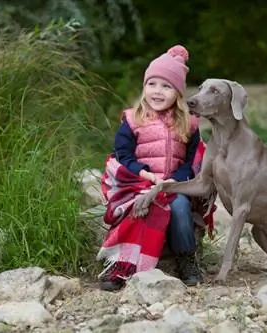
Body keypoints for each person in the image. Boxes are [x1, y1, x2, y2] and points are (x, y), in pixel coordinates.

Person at [97, 44, 209, 291]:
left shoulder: (188, 123)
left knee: (179, 205)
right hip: (138, 182)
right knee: (140, 208)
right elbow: (122, 155)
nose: (157, 92)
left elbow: (192, 161)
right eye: (152, 84)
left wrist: (173, 181)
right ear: (144, 87)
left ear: (178, 93)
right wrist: (146, 174)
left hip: (173, 186)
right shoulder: (132, 119)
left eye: (166, 86)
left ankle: (186, 259)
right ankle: (122, 266)